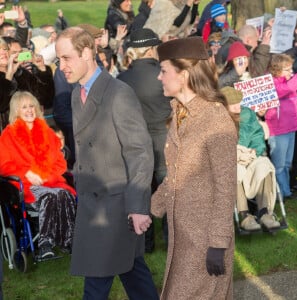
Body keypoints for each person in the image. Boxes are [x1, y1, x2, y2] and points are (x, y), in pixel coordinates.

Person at [55, 27, 159, 300]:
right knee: (133, 273)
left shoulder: (118, 93)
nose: (61, 67)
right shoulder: (77, 94)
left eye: (66, 58)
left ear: (88, 53)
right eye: (59, 60)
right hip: (92, 203)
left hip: (116, 205)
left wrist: (138, 206)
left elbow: (140, 151)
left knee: (97, 284)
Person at [151, 36, 237, 299]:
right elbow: (177, 172)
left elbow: (226, 186)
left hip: (206, 241)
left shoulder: (214, 119)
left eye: (163, 71)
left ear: (184, 75)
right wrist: (152, 208)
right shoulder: (180, 112)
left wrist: (218, 244)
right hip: (184, 238)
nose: (158, 77)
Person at [0, 91, 77, 259]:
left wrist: (46, 176)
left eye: (32, 106)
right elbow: (4, 165)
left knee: (65, 194)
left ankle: (68, 241)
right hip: (25, 185)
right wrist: (27, 173)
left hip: (51, 181)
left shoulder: (47, 132)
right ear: (16, 111)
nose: (29, 110)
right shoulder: (8, 135)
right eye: (24, 107)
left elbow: (60, 163)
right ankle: (45, 245)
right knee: (49, 196)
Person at [117, 28, 172, 251]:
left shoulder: (121, 79)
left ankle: (145, 242)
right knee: (168, 190)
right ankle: (171, 239)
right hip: (163, 140)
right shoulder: (164, 73)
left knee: (141, 190)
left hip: (134, 144)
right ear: (151, 49)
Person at [222, 86, 280, 231]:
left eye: (238, 102)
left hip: (250, 155)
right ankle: (244, 216)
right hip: (231, 159)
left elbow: (257, 135)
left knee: (264, 164)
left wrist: (256, 150)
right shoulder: (216, 120)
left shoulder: (247, 113)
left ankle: (264, 213)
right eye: (232, 103)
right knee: (234, 171)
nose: (237, 106)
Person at [265, 54, 297, 199]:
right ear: (276, 70)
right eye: (286, 69)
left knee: (286, 163)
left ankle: (285, 191)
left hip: (291, 127)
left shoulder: (289, 81)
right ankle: (281, 193)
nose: (290, 72)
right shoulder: (271, 83)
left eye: (291, 69)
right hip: (278, 130)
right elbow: (285, 89)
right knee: (278, 165)